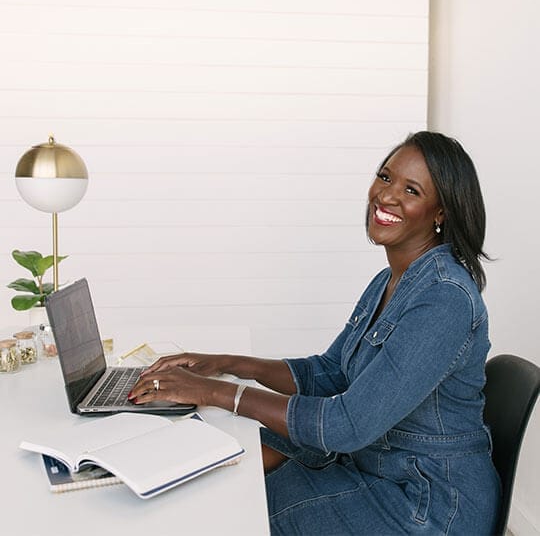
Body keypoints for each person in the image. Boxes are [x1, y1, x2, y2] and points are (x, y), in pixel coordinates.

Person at [129, 131, 501, 535]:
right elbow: (330, 374)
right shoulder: (390, 280)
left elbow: (346, 426)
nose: (386, 196)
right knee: (231, 474)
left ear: (440, 212)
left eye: (410, 190)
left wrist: (216, 392)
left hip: (425, 504)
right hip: (376, 467)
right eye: (385, 177)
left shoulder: (443, 299)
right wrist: (224, 363)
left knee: (243, 512)